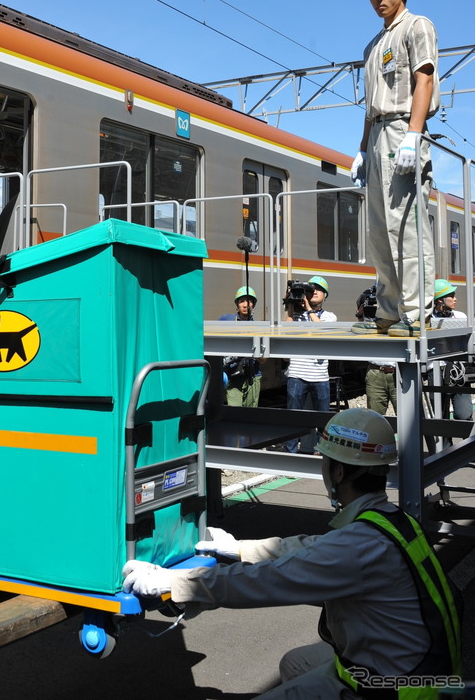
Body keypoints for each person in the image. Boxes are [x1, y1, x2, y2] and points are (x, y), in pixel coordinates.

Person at [123, 408, 462, 700]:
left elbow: (268, 582)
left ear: (339, 472)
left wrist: (177, 583)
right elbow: (308, 549)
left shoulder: (357, 547)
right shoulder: (391, 521)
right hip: (419, 669)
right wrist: (239, 548)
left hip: (395, 690)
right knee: (295, 664)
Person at [350, 0, 440, 339]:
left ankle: (418, 313)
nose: (376, 0)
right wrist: (362, 151)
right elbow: (371, 105)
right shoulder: (372, 46)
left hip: (404, 127)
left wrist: (414, 134)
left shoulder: (417, 26)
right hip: (377, 135)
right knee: (379, 230)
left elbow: (425, 78)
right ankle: (387, 311)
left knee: (406, 225)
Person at [284, 276, 336, 453]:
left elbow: (322, 332)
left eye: (319, 289)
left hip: (320, 376)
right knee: (293, 419)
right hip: (297, 373)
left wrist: (308, 309)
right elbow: (285, 332)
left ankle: (324, 454)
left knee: (323, 421)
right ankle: (291, 454)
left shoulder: (330, 316)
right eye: (310, 289)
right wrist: (290, 305)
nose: (314, 292)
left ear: (326, 295)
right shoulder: (297, 316)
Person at [431, 279, 472, 426]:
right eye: (451, 296)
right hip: (436, 371)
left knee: (464, 414)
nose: (455, 299)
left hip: (458, 371)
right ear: (440, 300)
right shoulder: (428, 319)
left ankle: (467, 447)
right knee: (439, 416)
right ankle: (444, 447)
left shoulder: (461, 317)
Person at [356, 288, 398, 415]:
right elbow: (360, 326)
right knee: (374, 417)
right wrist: (361, 313)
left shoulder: (397, 304)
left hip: (399, 372)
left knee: (407, 417)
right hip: (375, 372)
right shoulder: (369, 303)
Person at [219, 286, 262, 408]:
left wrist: (259, 355)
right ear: (237, 304)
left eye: (249, 301)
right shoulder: (226, 320)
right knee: (234, 413)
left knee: (250, 416)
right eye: (242, 301)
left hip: (253, 376)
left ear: (253, 305)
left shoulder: (258, 327)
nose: (245, 305)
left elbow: (264, 360)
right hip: (233, 375)